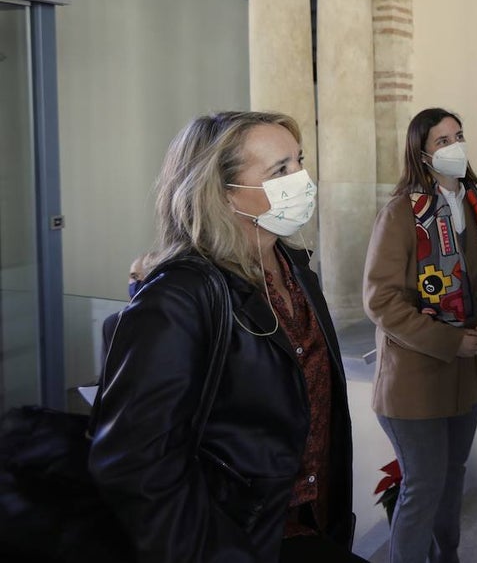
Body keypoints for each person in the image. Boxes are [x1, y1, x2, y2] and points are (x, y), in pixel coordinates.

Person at [89, 111, 362, 563]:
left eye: (299, 161)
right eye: (280, 170)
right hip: (237, 540)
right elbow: (134, 466)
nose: (303, 179)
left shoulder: (296, 268)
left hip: (310, 524)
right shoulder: (180, 296)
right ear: (222, 192)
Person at [363, 107, 477, 563]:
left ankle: (447, 556)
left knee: (452, 475)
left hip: (471, 372)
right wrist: (450, 340)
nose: (455, 147)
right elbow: (381, 300)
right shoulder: (400, 214)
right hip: (417, 379)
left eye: (459, 135)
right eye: (443, 141)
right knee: (424, 485)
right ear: (422, 155)